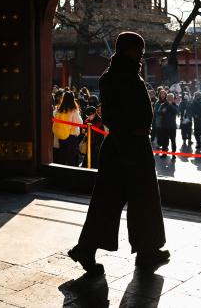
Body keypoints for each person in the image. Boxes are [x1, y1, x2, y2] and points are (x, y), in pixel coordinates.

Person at [68, 31, 168, 275]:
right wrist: (133, 131)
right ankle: (88, 249)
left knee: (139, 201)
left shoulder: (129, 74)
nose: (141, 54)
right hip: (125, 147)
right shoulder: (112, 78)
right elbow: (112, 116)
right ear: (126, 50)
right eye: (137, 49)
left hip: (133, 146)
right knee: (110, 202)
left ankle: (146, 251)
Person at [52, 91, 82, 167]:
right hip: (71, 136)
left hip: (61, 135)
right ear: (73, 99)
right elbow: (79, 122)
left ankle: (61, 175)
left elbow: (54, 116)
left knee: (62, 156)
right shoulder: (73, 110)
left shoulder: (59, 110)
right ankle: (71, 176)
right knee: (71, 159)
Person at [155, 92, 178, 161]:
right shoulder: (163, 105)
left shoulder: (175, 105)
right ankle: (164, 154)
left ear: (173, 99)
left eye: (171, 98)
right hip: (164, 126)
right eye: (168, 98)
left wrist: (170, 105)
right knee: (164, 141)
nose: (170, 99)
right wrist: (162, 111)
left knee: (173, 141)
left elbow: (176, 111)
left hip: (172, 126)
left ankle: (173, 154)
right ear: (167, 98)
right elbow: (158, 113)